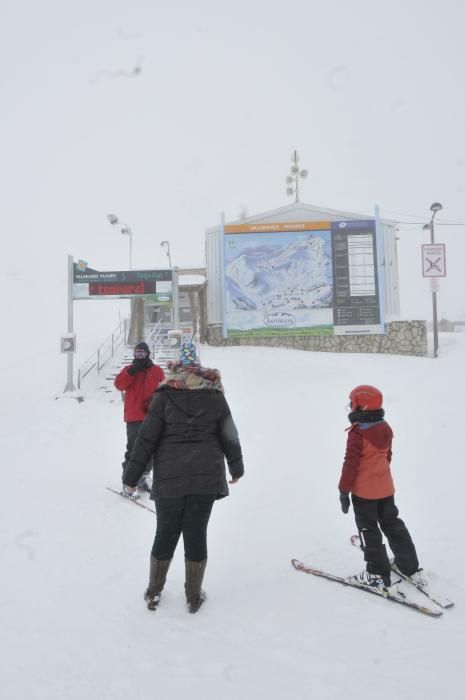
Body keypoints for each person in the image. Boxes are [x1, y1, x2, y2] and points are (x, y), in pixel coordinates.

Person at [123, 340, 244, 613]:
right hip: (206, 477)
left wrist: (131, 475)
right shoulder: (214, 394)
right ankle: (193, 596)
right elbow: (229, 435)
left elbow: (146, 439)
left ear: (177, 366)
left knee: (165, 532)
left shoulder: (164, 394)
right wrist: (236, 469)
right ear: (199, 366)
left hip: (170, 477)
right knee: (196, 533)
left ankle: (154, 592)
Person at [338, 384, 426, 593]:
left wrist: (343, 490)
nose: (350, 407)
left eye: (352, 403)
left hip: (364, 493)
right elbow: (387, 457)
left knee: (368, 530)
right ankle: (409, 567)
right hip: (386, 489)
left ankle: (376, 574)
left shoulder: (357, 434)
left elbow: (350, 464)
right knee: (392, 524)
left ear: (361, 406)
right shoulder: (385, 426)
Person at [114, 342, 165, 492]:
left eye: (142, 353)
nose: (139, 356)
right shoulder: (129, 370)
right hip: (134, 416)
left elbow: (164, 390)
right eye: (137, 353)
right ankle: (128, 478)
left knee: (151, 448)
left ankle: (144, 476)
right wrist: (130, 373)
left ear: (148, 354)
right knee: (134, 448)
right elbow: (119, 385)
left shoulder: (156, 371)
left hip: (153, 416)